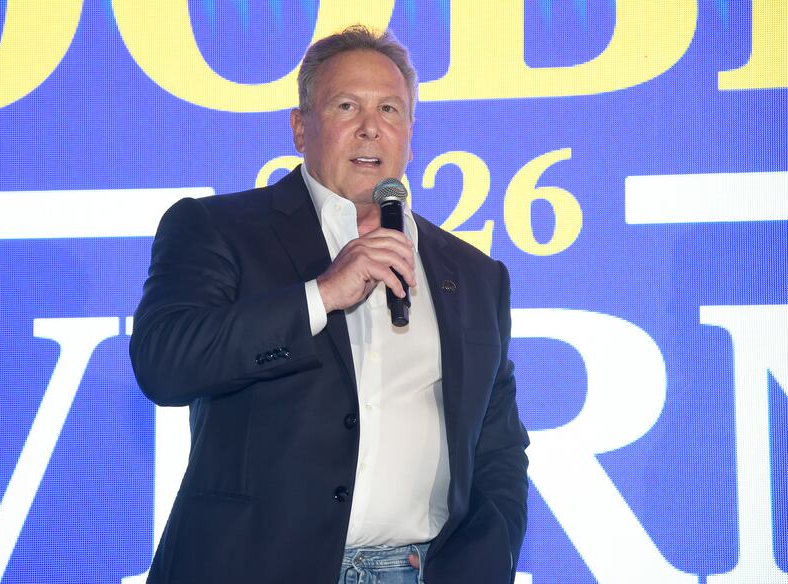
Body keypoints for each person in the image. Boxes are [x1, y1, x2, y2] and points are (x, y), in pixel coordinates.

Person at [130, 25, 529, 584]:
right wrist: (321, 295)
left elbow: (498, 449)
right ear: (300, 128)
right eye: (347, 106)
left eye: (390, 110)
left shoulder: (474, 274)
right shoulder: (217, 229)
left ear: (410, 134)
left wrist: (484, 565)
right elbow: (163, 365)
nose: (371, 127)